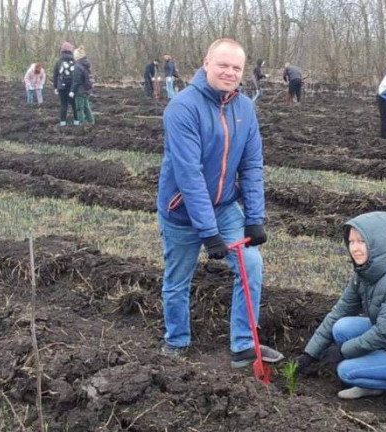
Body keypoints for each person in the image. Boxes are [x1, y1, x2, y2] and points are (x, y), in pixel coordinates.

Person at [156, 38, 283, 368]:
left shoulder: (245, 108)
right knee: (177, 279)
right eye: (223, 65)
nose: (229, 72)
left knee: (250, 264)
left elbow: (252, 164)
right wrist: (208, 232)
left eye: (236, 68)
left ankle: (243, 343)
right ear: (206, 63)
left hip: (226, 206)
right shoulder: (183, 108)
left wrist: (255, 217)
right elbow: (189, 175)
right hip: (181, 211)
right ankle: (176, 341)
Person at [295, 211, 386, 416]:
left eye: (362, 241)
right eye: (351, 241)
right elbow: (339, 312)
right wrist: (309, 353)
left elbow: (384, 332)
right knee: (341, 327)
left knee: (346, 371)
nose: (355, 248)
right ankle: (373, 383)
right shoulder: (363, 274)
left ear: (378, 244)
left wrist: (344, 351)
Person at [53, 42, 78, 125]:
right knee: (74, 104)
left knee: (64, 104)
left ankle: (63, 122)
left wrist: (55, 87)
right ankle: (76, 121)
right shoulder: (75, 61)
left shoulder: (58, 61)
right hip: (73, 87)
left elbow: (55, 75)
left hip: (62, 86)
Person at [70, 46, 94, 126]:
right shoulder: (85, 64)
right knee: (87, 107)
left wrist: (72, 91)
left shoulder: (77, 66)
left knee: (79, 108)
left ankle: (81, 125)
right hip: (86, 89)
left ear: (76, 56)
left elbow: (76, 81)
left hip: (80, 90)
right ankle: (91, 121)